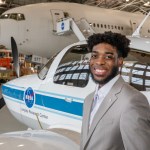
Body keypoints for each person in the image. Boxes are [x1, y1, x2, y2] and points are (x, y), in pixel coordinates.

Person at [80, 31, 150, 150]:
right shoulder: (89, 99)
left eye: (108, 57)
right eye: (94, 56)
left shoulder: (132, 101)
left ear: (120, 61)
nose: (99, 62)